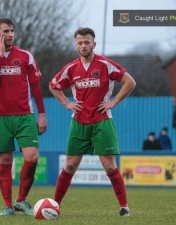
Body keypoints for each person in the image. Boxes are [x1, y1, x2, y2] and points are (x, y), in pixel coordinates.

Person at [49, 27, 136, 217]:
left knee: (109, 166)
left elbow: (130, 82)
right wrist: (66, 103)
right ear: (76, 45)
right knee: (70, 165)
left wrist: (113, 102)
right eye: (80, 43)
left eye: (87, 42)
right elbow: (53, 85)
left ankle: (124, 207)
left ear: (93, 44)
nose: (83, 45)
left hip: (103, 122)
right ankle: (54, 206)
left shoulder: (105, 64)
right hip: (79, 122)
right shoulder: (71, 68)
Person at [0, 17, 47, 216]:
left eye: (12, 31)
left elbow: (36, 87)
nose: (10, 35)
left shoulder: (26, 56)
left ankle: (21, 200)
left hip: (25, 115)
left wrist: (42, 114)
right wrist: (0, 55)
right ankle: (8, 205)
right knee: (5, 161)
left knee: (32, 157)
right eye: (5, 31)